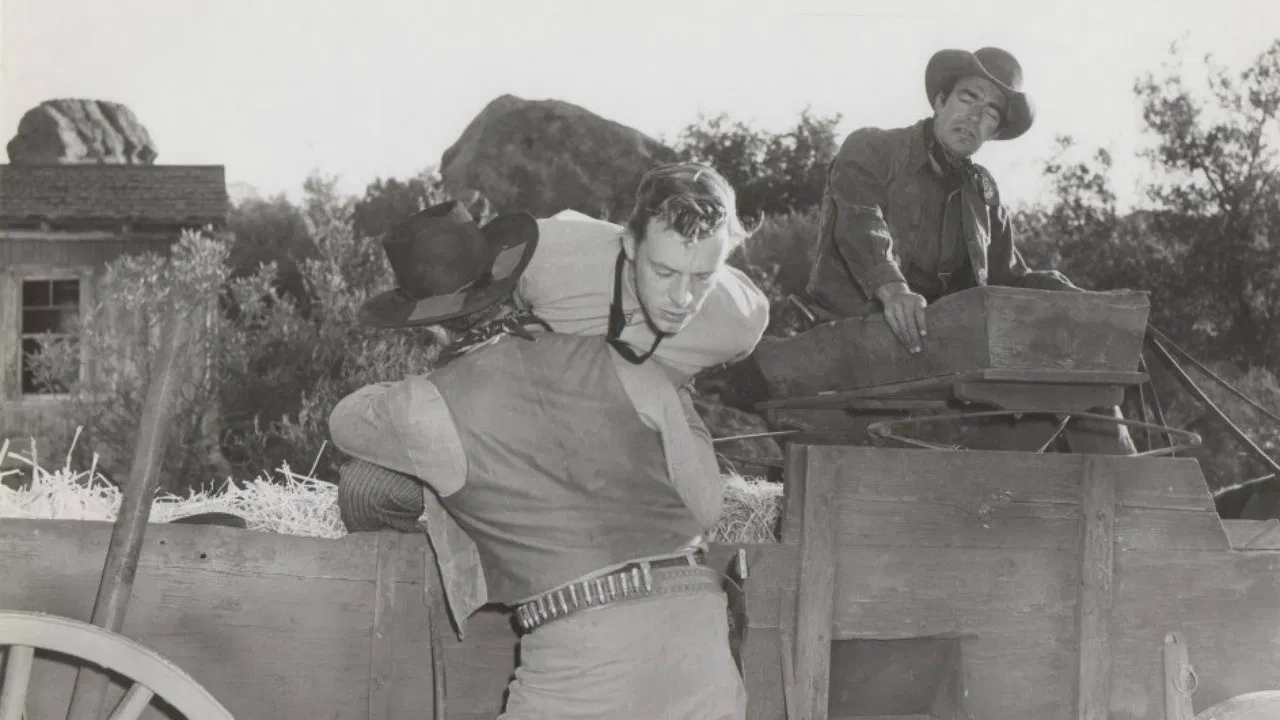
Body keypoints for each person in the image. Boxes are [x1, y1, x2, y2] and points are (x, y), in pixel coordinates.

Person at [330, 168, 761, 718]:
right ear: (511, 280)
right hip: (699, 642)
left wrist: (415, 388)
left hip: (582, 654)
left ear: (430, 326)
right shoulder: (629, 362)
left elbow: (345, 422)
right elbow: (708, 506)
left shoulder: (423, 408)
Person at [803, 46, 1135, 454]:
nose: (975, 118)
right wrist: (892, 288)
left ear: (993, 133)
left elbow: (1009, 280)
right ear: (940, 102)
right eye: (967, 99)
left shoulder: (983, 194)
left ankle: (1130, 493)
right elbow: (859, 221)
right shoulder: (874, 149)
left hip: (945, 358)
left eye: (991, 113)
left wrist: (1080, 303)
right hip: (859, 336)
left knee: (1086, 373)